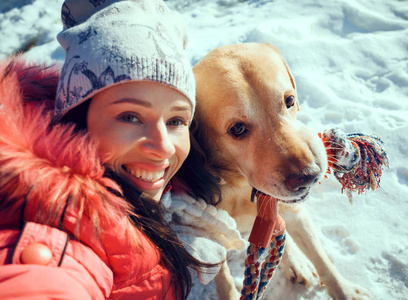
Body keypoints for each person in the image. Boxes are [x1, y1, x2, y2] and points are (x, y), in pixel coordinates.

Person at [0, 0, 244, 299]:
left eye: (176, 120)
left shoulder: (162, 199)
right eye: (130, 116)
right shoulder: (56, 242)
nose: (163, 147)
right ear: (76, 118)